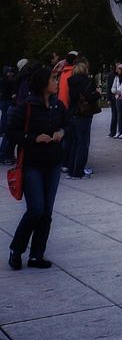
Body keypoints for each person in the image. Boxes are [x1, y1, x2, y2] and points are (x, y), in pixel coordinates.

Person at [7, 64, 67, 269]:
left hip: (53, 164)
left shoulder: (58, 105)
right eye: (53, 80)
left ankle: (36, 254)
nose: (57, 83)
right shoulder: (27, 106)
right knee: (36, 210)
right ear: (43, 84)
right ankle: (16, 249)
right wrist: (32, 138)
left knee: (47, 212)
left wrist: (61, 132)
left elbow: (67, 124)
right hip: (33, 164)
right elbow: (11, 132)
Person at [66, 58, 100, 178]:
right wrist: (98, 93)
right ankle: (79, 171)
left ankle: (71, 170)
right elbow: (89, 97)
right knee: (83, 144)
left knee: (75, 144)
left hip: (72, 113)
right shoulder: (87, 81)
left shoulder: (70, 81)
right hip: (83, 115)